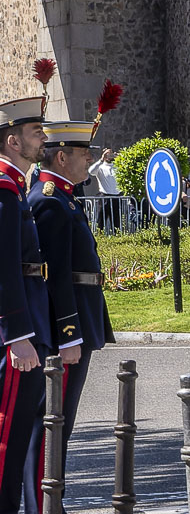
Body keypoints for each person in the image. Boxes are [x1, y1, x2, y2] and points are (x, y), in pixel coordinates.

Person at [25, 118, 112, 500]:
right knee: (52, 422)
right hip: (67, 329)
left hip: (81, 319)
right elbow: (55, 276)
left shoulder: (64, 198)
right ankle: (45, 503)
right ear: (61, 157)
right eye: (83, 152)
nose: (90, 158)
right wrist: (68, 335)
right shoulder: (50, 201)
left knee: (60, 421)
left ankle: (49, 500)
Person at [0, 91, 50, 514]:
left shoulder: (15, 188)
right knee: (7, 441)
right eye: (36, 131)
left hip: (26, 327)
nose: (43, 138)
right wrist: (18, 334)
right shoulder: (4, 189)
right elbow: (4, 268)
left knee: (17, 441)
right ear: (13, 141)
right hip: (15, 336)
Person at [86, 148, 119, 233]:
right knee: (101, 220)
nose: (109, 156)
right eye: (107, 154)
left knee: (116, 222)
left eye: (110, 154)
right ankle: (99, 235)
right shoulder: (100, 167)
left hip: (116, 196)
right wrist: (101, 159)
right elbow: (91, 171)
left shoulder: (117, 166)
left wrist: (120, 158)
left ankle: (118, 236)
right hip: (104, 196)